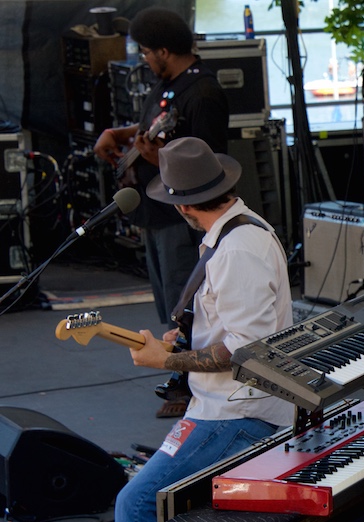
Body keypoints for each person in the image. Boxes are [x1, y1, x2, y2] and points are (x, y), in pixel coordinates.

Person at [66, 137, 295, 522]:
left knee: (137, 503)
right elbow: (230, 327)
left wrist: (165, 359)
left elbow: (245, 351)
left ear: (183, 204)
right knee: (143, 500)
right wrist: (186, 338)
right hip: (224, 406)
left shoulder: (237, 250)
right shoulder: (237, 229)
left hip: (238, 413)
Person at [93, 7, 229, 419]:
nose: (144, 60)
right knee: (166, 302)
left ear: (165, 51)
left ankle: (190, 385)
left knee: (183, 301)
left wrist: (159, 157)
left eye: (147, 52)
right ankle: (178, 374)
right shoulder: (165, 85)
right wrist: (121, 136)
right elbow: (147, 129)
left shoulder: (202, 93)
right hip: (156, 210)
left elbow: (210, 160)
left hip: (182, 217)